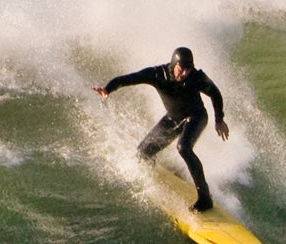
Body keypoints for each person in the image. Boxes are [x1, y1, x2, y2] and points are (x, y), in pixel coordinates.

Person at [94, 47, 230, 211]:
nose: (185, 73)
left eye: (189, 69)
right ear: (174, 64)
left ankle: (205, 198)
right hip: (173, 118)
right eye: (182, 68)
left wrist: (219, 120)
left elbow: (215, 94)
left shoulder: (197, 77)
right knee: (142, 154)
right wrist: (108, 89)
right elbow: (128, 79)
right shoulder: (157, 74)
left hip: (196, 117)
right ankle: (163, 170)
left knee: (184, 147)